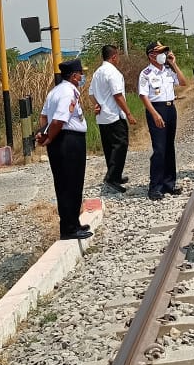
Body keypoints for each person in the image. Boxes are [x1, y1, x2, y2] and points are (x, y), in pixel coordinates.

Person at [34, 58, 91, 240]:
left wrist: (44, 133)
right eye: (81, 74)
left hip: (63, 140)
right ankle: (68, 228)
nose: (82, 76)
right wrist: (50, 137)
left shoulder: (55, 91)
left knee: (70, 183)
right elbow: (58, 121)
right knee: (69, 185)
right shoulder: (67, 92)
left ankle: (73, 222)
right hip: (68, 141)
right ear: (74, 76)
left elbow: (44, 117)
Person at [138, 40, 187, 200]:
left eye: (164, 52)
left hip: (170, 108)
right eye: (160, 52)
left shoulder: (167, 70)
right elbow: (143, 96)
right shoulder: (146, 73)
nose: (163, 55)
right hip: (156, 109)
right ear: (151, 55)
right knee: (159, 149)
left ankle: (169, 184)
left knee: (169, 147)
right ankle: (155, 187)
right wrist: (154, 114)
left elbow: (183, 82)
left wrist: (174, 64)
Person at [89, 44, 137, 193]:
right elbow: (117, 95)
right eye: (118, 56)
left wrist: (97, 105)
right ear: (114, 56)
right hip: (114, 115)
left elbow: (91, 94)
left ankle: (115, 175)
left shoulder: (97, 72)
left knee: (109, 147)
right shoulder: (113, 72)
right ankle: (111, 178)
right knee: (120, 145)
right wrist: (128, 113)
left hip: (103, 116)